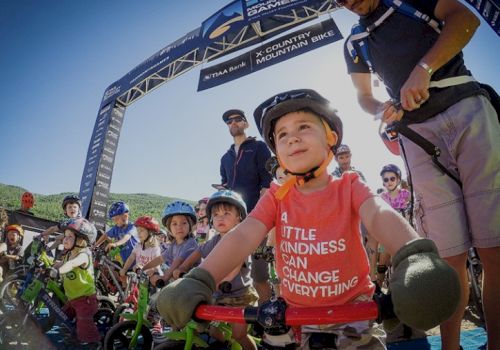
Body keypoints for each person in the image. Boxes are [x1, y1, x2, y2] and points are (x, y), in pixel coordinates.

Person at [157, 89, 460, 349]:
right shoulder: (277, 194)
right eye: (283, 134)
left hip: (354, 315)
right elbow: (243, 235)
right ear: (275, 149)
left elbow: (379, 214)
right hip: (297, 319)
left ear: (330, 137)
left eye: (304, 127)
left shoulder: (349, 184)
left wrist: (414, 254)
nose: (292, 139)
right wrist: (201, 277)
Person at [341, 0, 500, 347]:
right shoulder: (354, 42)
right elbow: (363, 97)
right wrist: (381, 108)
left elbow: (465, 19)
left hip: (467, 107)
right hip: (416, 135)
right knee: (448, 255)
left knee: (495, 247)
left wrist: (425, 68)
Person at [173, 190, 259, 350]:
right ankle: (225, 345)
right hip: (219, 295)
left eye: (226, 213)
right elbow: (198, 251)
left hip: (241, 297)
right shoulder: (215, 240)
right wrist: (184, 267)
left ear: (239, 217)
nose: (220, 217)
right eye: (216, 214)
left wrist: (219, 281)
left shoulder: (239, 239)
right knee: (213, 332)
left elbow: (234, 266)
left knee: (239, 335)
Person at [220, 108, 273, 302]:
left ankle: (267, 316)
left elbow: (267, 183)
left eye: (237, 120)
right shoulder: (225, 158)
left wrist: (261, 216)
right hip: (233, 222)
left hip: (257, 220)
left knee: (259, 274)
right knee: (231, 271)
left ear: (245, 124)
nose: (233, 123)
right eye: (229, 121)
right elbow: (225, 185)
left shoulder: (258, 147)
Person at [52, 218, 100, 346]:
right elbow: (60, 263)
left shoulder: (83, 254)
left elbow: (72, 264)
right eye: (65, 236)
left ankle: (94, 343)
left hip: (85, 299)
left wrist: (58, 271)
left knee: (84, 325)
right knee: (63, 317)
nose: (65, 239)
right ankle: (75, 334)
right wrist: (49, 266)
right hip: (73, 298)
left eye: (69, 237)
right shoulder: (68, 253)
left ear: (80, 240)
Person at [142, 201, 198, 286]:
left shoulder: (191, 243)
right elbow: (160, 259)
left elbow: (178, 261)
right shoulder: (174, 244)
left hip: (192, 285)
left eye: (184, 223)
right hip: (180, 283)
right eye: (174, 224)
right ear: (169, 228)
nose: (179, 227)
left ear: (190, 225)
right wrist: (144, 268)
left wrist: (164, 278)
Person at [95, 201, 138, 266]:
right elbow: (105, 235)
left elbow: (127, 237)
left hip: (136, 262)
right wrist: (95, 245)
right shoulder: (116, 228)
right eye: (113, 219)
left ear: (125, 216)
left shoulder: (132, 226)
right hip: (126, 263)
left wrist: (115, 244)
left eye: (117, 219)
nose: (115, 221)